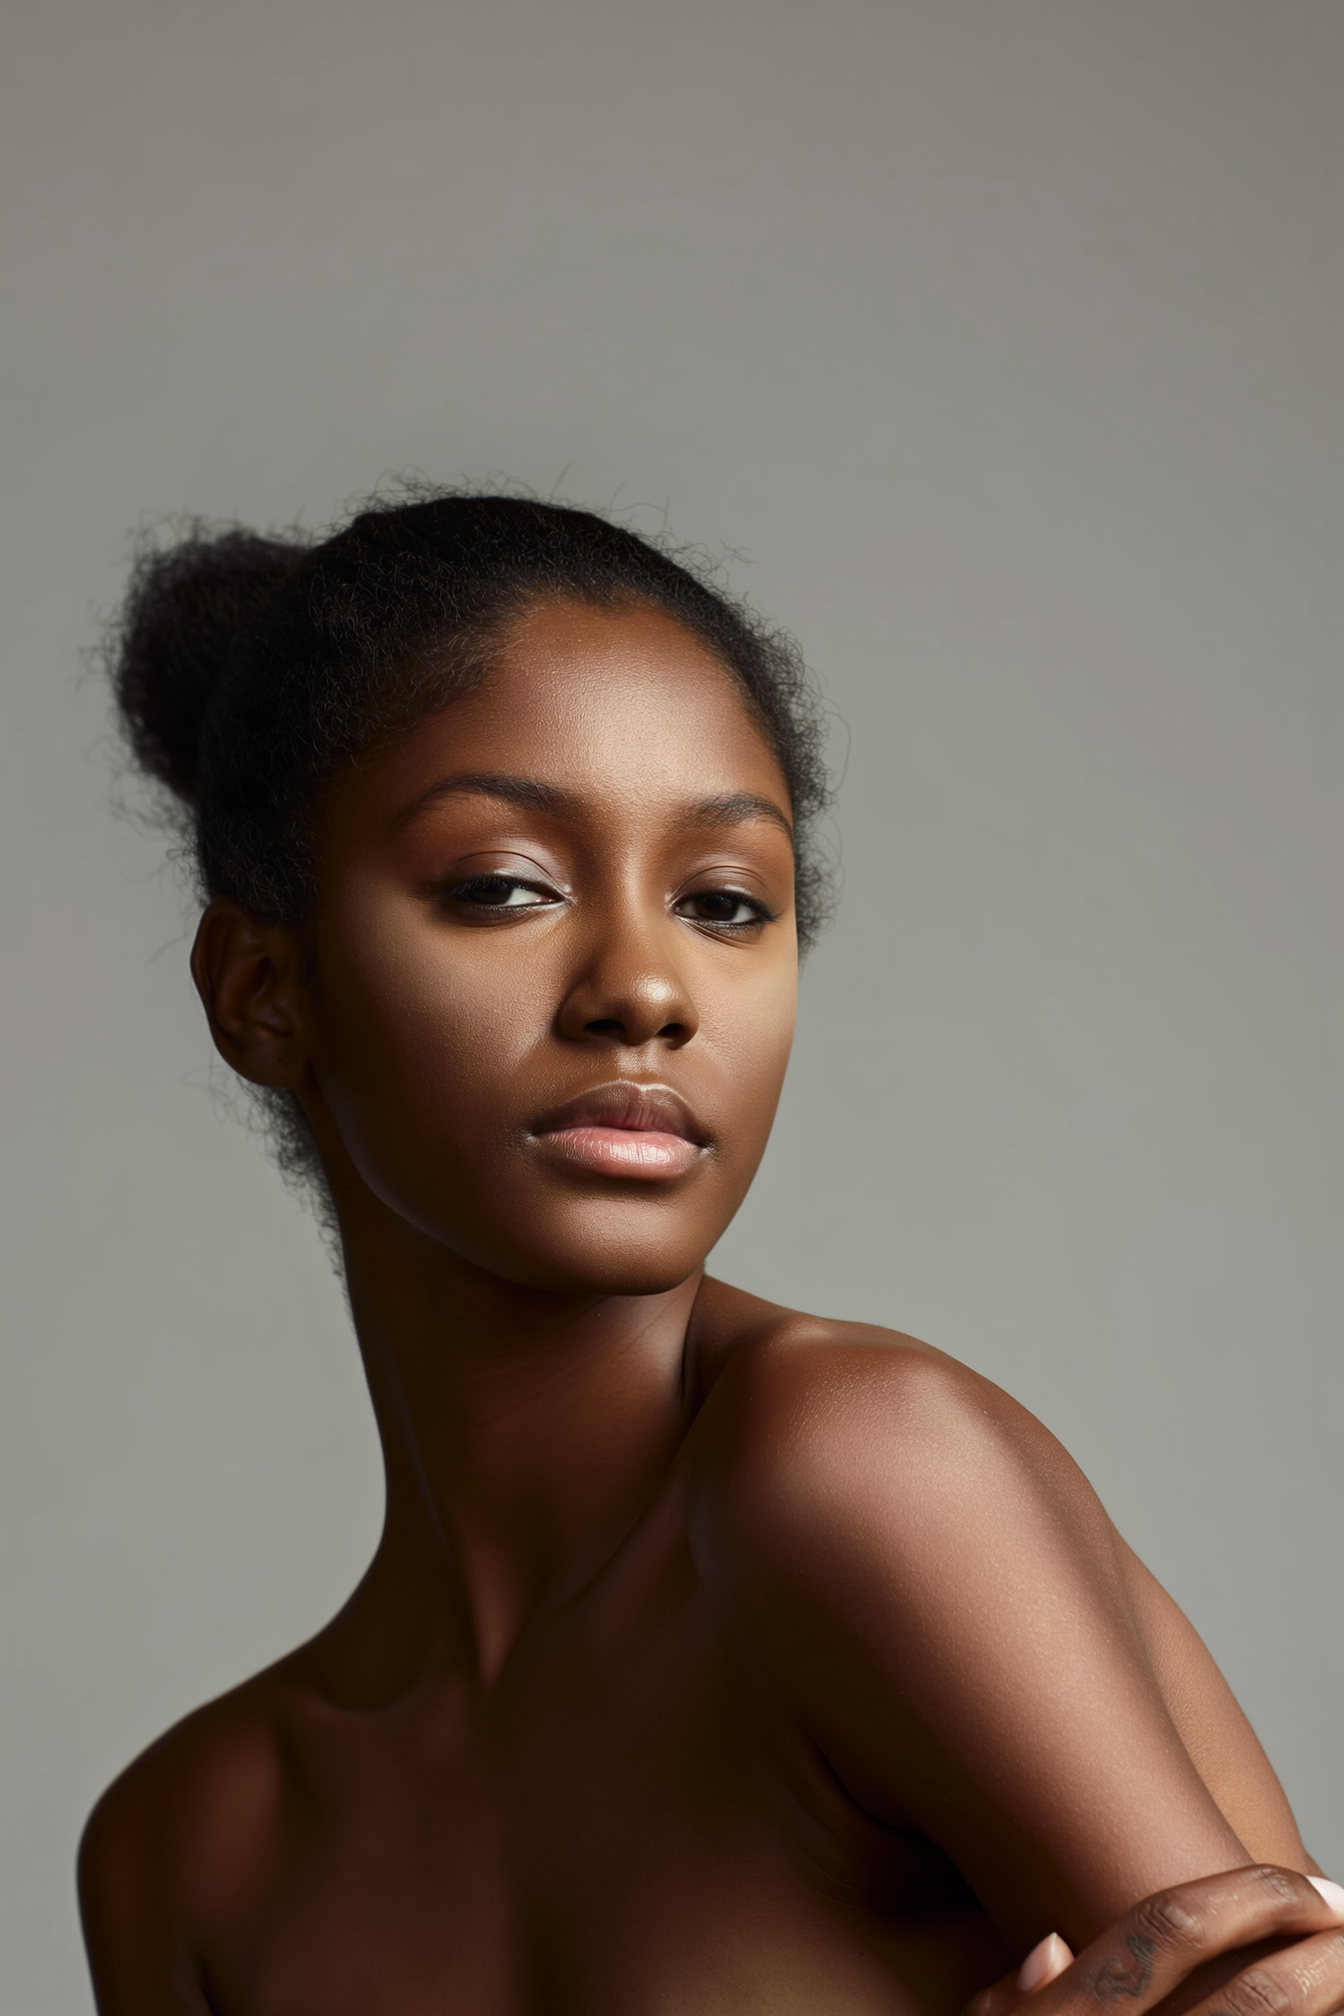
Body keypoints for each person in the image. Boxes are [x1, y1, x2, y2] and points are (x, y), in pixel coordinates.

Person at [77, 492, 1342, 2014]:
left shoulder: (859, 1474)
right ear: (263, 990)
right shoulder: (190, 1854)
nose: (647, 989)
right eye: (504, 887)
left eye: (726, 902)